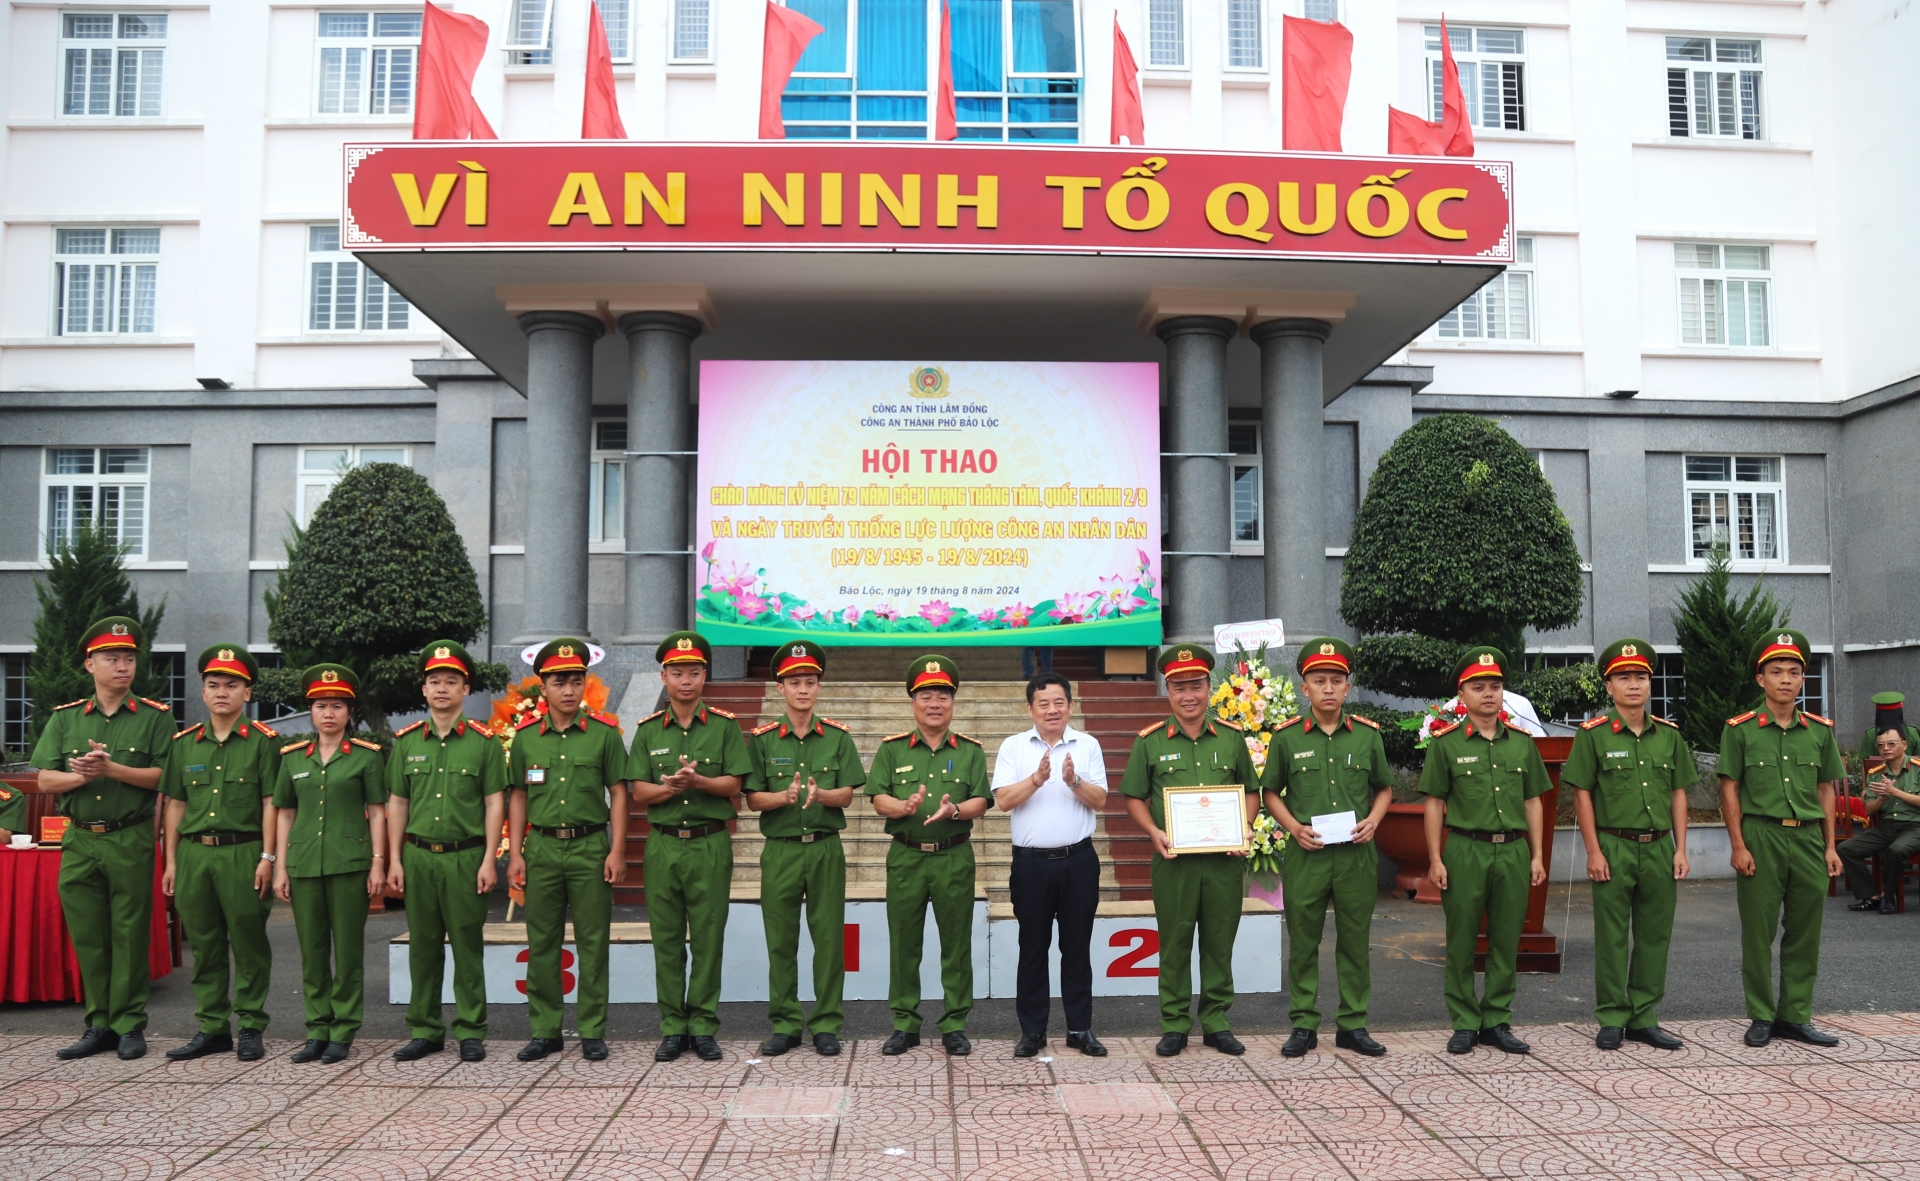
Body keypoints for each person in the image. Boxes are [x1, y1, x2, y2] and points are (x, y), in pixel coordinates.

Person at [32, 616, 175, 1062]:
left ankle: (130, 1024)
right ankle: (99, 1024)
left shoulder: (154, 717)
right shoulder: (66, 718)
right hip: (79, 840)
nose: (122, 666)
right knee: (89, 934)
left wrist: (113, 770)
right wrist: (82, 775)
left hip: (128, 836)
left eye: (129, 658)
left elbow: (165, 778)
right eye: (112, 658)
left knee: (130, 934)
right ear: (90, 664)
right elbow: (42, 780)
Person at [1121, 646, 1259, 1058]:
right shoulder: (1148, 743)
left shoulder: (1232, 740)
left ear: (1208, 688)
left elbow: (1251, 792)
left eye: (1196, 686)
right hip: (1174, 862)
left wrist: (1245, 827)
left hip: (1222, 863)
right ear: (1168, 691)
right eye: (1179, 687)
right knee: (1175, 943)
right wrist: (1153, 833)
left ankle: (1217, 1022)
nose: (1189, 695)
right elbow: (1133, 797)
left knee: (1220, 942)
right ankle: (1175, 1025)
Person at [1260, 637, 1392, 1059]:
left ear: (1348, 687)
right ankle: (1303, 1024)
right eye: (1320, 681)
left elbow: (1384, 788)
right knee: (1303, 940)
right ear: (1305, 688)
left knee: (1355, 940)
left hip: (1355, 855)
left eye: (1337, 680)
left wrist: (1374, 820)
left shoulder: (1367, 737)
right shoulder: (1286, 737)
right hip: (1307, 854)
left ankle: (1353, 1024)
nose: (1329, 688)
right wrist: (1294, 828)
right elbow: (1269, 793)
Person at [1561, 639, 1692, 1052]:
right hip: (1614, 846)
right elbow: (1581, 793)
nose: (1633, 685)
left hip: (1658, 847)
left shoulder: (1668, 736)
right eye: (1623, 678)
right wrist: (1593, 850)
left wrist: (1681, 848)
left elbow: (1678, 794)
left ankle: (1644, 1016)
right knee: (1613, 936)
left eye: (1640, 677)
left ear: (1650, 684)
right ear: (1609, 687)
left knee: (1655, 935)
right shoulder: (1593, 735)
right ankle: (1612, 1016)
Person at [1419, 646, 1550, 1056]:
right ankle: (1463, 1021)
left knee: (1505, 937)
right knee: (1461, 938)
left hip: (1512, 851)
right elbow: (1434, 805)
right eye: (1479, 687)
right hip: (1464, 850)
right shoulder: (1446, 745)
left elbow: (1534, 802)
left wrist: (1537, 855)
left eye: (1495, 686)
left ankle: (1496, 1019)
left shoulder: (1522, 744)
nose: (1488, 694)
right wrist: (1435, 858)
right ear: (1463, 695)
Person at [629, 631, 752, 1063]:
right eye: (677, 672)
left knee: (707, 938)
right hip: (663, 845)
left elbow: (734, 784)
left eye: (694, 672)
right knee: (665, 938)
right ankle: (671, 1027)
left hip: (709, 843)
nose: (686, 680)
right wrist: (669, 788)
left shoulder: (723, 727)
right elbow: (639, 792)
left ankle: (702, 1026)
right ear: (663, 677)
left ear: (705, 676)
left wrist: (698, 782)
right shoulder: (647, 731)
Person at [1720, 629, 1846, 1048]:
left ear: (1802, 680)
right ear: (1761, 679)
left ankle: (1795, 1015)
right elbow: (1729, 789)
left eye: (1794, 672)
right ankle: (1760, 1014)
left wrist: (1830, 846)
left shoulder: (1819, 730)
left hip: (1809, 839)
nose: (1786, 679)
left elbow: (1827, 790)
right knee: (1758, 932)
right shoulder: (1740, 730)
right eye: (1776, 671)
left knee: (1805, 931)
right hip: (1761, 836)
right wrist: (1738, 845)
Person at [508, 638, 630, 1062]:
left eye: (576, 681)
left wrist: (616, 851)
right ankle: (545, 1030)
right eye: (559, 681)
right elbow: (519, 796)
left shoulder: (603, 735)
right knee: (542, 941)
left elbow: (618, 793)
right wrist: (517, 852)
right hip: (540, 847)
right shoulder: (525, 739)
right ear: (543, 687)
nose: (568, 690)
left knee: (594, 941)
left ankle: (593, 1030)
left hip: (590, 847)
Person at [385, 640, 506, 1063]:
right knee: (423, 945)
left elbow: (495, 803)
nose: (442, 688)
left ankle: (471, 1030)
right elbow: (397, 803)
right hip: (418, 856)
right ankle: (425, 1029)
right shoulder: (406, 743)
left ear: (464, 688)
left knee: (467, 945)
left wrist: (490, 858)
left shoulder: (484, 743)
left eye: (451, 681)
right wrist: (395, 858)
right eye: (434, 681)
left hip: (466, 856)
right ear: (423, 689)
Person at [867, 655, 992, 1057]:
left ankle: (955, 1023)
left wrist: (955, 810)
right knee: (904, 943)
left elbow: (981, 801)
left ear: (953, 703)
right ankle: (904, 1024)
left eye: (943, 695)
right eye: (926, 695)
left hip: (953, 856)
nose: (935, 703)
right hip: (906, 857)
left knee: (956, 943)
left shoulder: (970, 751)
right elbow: (877, 798)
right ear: (912, 703)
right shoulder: (892, 750)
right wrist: (901, 807)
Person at [159, 645, 280, 1062]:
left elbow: (271, 804)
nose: (222, 692)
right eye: (214, 685)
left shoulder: (264, 743)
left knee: (248, 942)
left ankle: (250, 1026)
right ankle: (212, 1027)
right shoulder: (185, 743)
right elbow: (175, 804)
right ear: (203, 691)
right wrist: (172, 862)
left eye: (232, 685)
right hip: (195, 854)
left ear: (247, 692)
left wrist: (268, 857)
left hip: (242, 853)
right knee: (206, 945)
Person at [742, 641, 862, 1057]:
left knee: (829, 939)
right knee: (781, 940)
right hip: (781, 850)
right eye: (795, 682)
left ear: (818, 687)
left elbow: (847, 794)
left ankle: (827, 1023)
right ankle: (787, 1023)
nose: (803, 689)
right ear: (780, 688)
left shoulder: (837, 737)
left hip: (825, 847)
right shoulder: (761, 740)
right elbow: (753, 798)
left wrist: (822, 795)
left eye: (810, 682)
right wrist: (784, 797)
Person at [272, 664, 387, 1064]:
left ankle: (343, 1030)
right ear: (311, 712)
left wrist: (378, 863)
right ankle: (316, 1029)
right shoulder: (291, 758)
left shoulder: (367, 758)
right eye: (321, 705)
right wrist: (280, 866)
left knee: (349, 951)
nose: (329, 713)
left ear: (349, 713)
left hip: (350, 863)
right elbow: (284, 812)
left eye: (337, 706)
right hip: (304, 865)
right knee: (313, 951)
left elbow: (377, 811)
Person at [993, 672, 1110, 1059]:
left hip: (1078, 861)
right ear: (1030, 709)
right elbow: (1005, 800)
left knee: (1077, 948)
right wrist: (1038, 779)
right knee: (1032, 947)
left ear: (1071, 706)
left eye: (1059, 702)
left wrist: (1074, 781)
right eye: (1043, 703)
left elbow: (1101, 800)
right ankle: (1032, 1032)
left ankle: (1080, 1029)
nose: (1052, 709)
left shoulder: (1088, 744)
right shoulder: (1013, 747)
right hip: (1032, 866)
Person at [1838, 726, 1920, 915]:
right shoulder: (1876, 773)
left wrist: (1895, 792)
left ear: (1904, 745)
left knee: (1896, 850)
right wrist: (1882, 798)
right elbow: (1868, 809)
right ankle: (1872, 895)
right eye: (1881, 745)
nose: (1886, 748)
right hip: (1886, 826)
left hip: (1915, 826)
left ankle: (1888, 897)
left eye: (1892, 744)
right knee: (1847, 848)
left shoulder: (1917, 769)